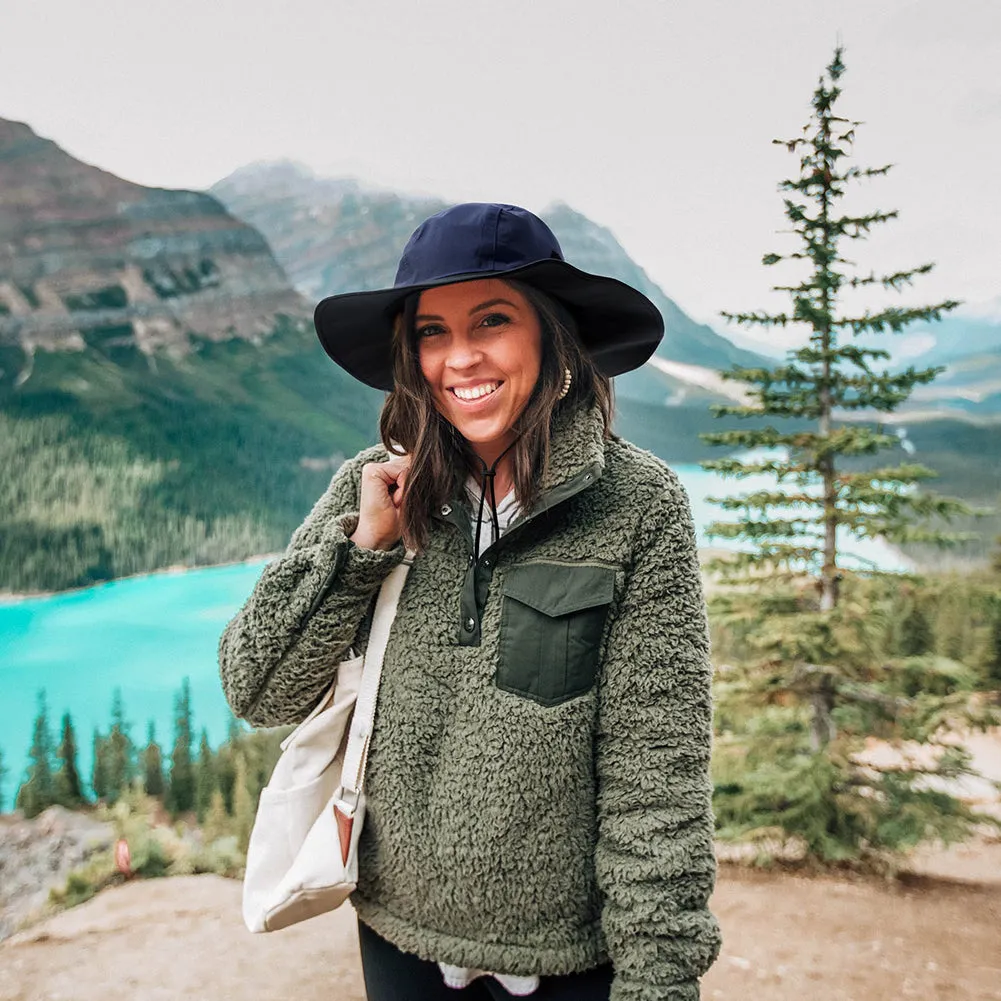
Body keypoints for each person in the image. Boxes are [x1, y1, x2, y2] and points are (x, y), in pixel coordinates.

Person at [219, 203, 721, 1000]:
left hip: (572, 956)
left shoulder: (638, 505)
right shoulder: (374, 486)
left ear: (549, 335)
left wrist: (658, 977)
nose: (460, 358)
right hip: (400, 941)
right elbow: (257, 686)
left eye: (492, 320)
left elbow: (655, 771)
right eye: (431, 331)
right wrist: (360, 551)